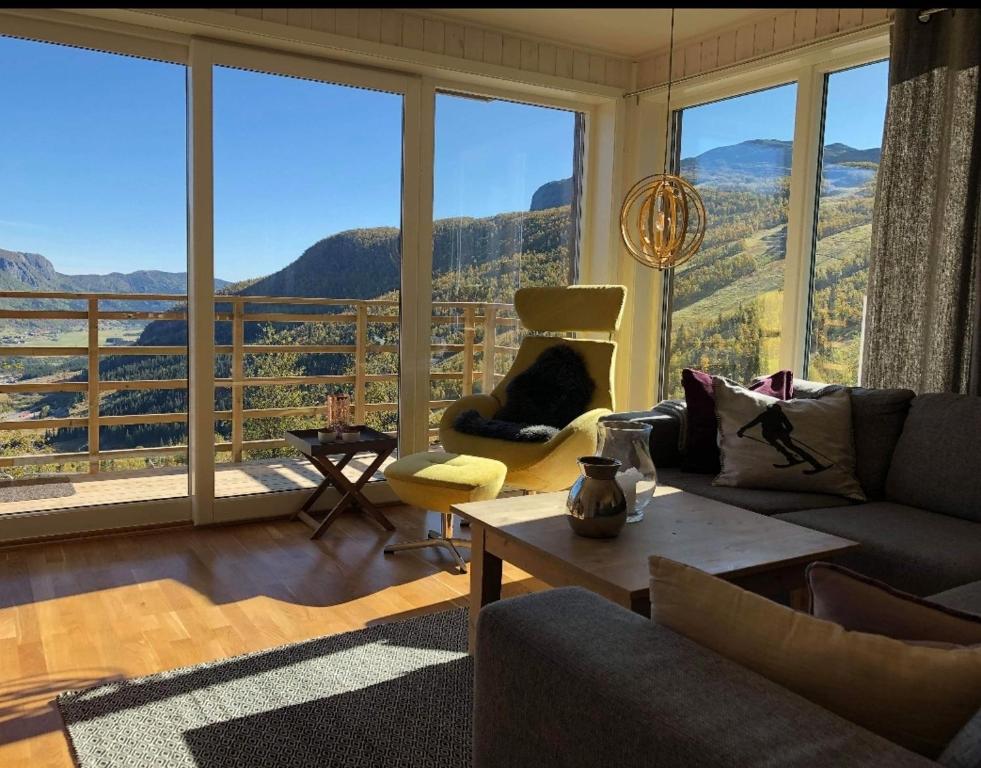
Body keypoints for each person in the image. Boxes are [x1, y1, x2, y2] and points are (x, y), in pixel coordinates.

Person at [736, 403, 830, 474]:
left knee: (785, 446)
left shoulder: (767, 414)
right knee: (792, 447)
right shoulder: (778, 414)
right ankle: (813, 464)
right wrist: (785, 433)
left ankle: (796, 459)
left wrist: (742, 429)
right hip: (776, 434)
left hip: (773, 434)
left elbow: (753, 423)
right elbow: (790, 427)